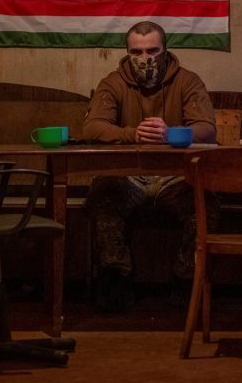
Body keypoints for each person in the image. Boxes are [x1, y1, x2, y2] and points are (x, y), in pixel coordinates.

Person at [83, 20, 218, 311]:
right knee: (102, 197)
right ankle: (117, 278)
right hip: (128, 176)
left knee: (206, 202)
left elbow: (207, 128)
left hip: (176, 177)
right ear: (128, 52)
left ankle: (186, 281)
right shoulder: (113, 82)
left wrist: (171, 134)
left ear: (165, 49)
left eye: (153, 50)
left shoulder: (187, 81)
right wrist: (132, 133)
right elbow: (92, 127)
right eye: (137, 52)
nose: (145, 59)